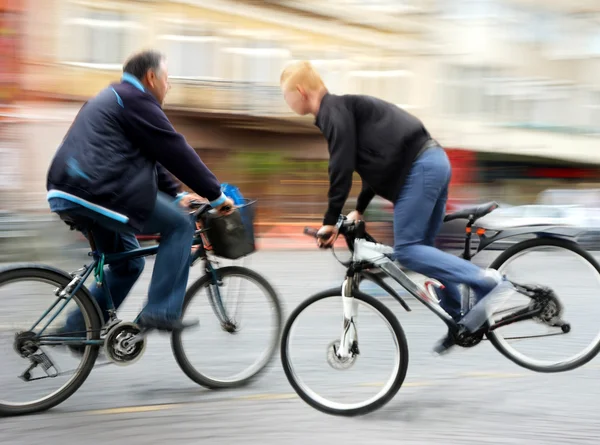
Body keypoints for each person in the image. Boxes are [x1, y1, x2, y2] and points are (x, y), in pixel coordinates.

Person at [279, 61, 514, 354]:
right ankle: (462, 321)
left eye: (285, 95)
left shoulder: (331, 110)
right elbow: (373, 166)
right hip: (432, 162)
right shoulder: (344, 110)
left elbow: (341, 164)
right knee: (425, 253)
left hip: (420, 168)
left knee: (408, 250)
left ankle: (487, 283)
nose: (285, 101)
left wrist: (329, 220)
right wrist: (360, 209)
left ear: (300, 91)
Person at [46, 50, 234, 342]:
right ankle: (161, 310)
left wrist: (175, 194)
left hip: (70, 190)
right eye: (167, 79)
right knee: (180, 225)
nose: (168, 86)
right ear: (151, 77)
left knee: (128, 264)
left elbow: (151, 157)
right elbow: (175, 150)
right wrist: (217, 195)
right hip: (97, 190)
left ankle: (76, 329)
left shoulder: (113, 97)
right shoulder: (135, 99)